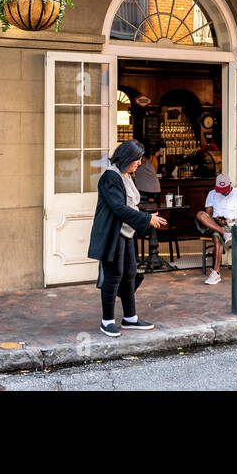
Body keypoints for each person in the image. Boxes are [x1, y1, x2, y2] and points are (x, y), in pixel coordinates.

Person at [87, 140, 166, 337]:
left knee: (130, 273)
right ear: (127, 158)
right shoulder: (110, 177)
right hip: (112, 233)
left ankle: (130, 317)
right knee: (113, 276)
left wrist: (146, 217)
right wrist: (147, 219)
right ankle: (107, 321)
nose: (140, 163)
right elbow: (119, 208)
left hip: (127, 232)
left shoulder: (126, 176)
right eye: (137, 159)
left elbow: (131, 206)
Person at [195, 173, 237, 285]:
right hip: (214, 224)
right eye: (220, 190)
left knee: (216, 237)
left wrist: (229, 221)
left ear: (229, 184)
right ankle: (224, 233)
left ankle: (215, 273)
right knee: (200, 214)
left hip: (230, 224)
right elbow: (208, 215)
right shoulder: (212, 194)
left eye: (224, 190)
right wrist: (216, 219)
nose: (222, 192)